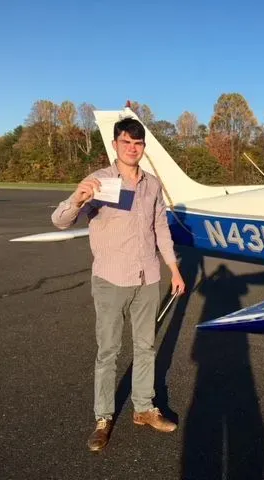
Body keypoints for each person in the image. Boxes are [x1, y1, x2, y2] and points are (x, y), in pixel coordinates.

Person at [51, 117, 185, 452]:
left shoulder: (152, 185)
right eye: (126, 142)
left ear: (143, 148)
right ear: (115, 145)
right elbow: (60, 221)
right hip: (111, 279)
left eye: (138, 144)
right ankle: (103, 418)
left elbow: (161, 229)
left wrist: (174, 269)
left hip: (148, 277)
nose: (132, 148)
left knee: (145, 347)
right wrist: (78, 199)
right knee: (108, 351)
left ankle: (143, 408)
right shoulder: (98, 182)